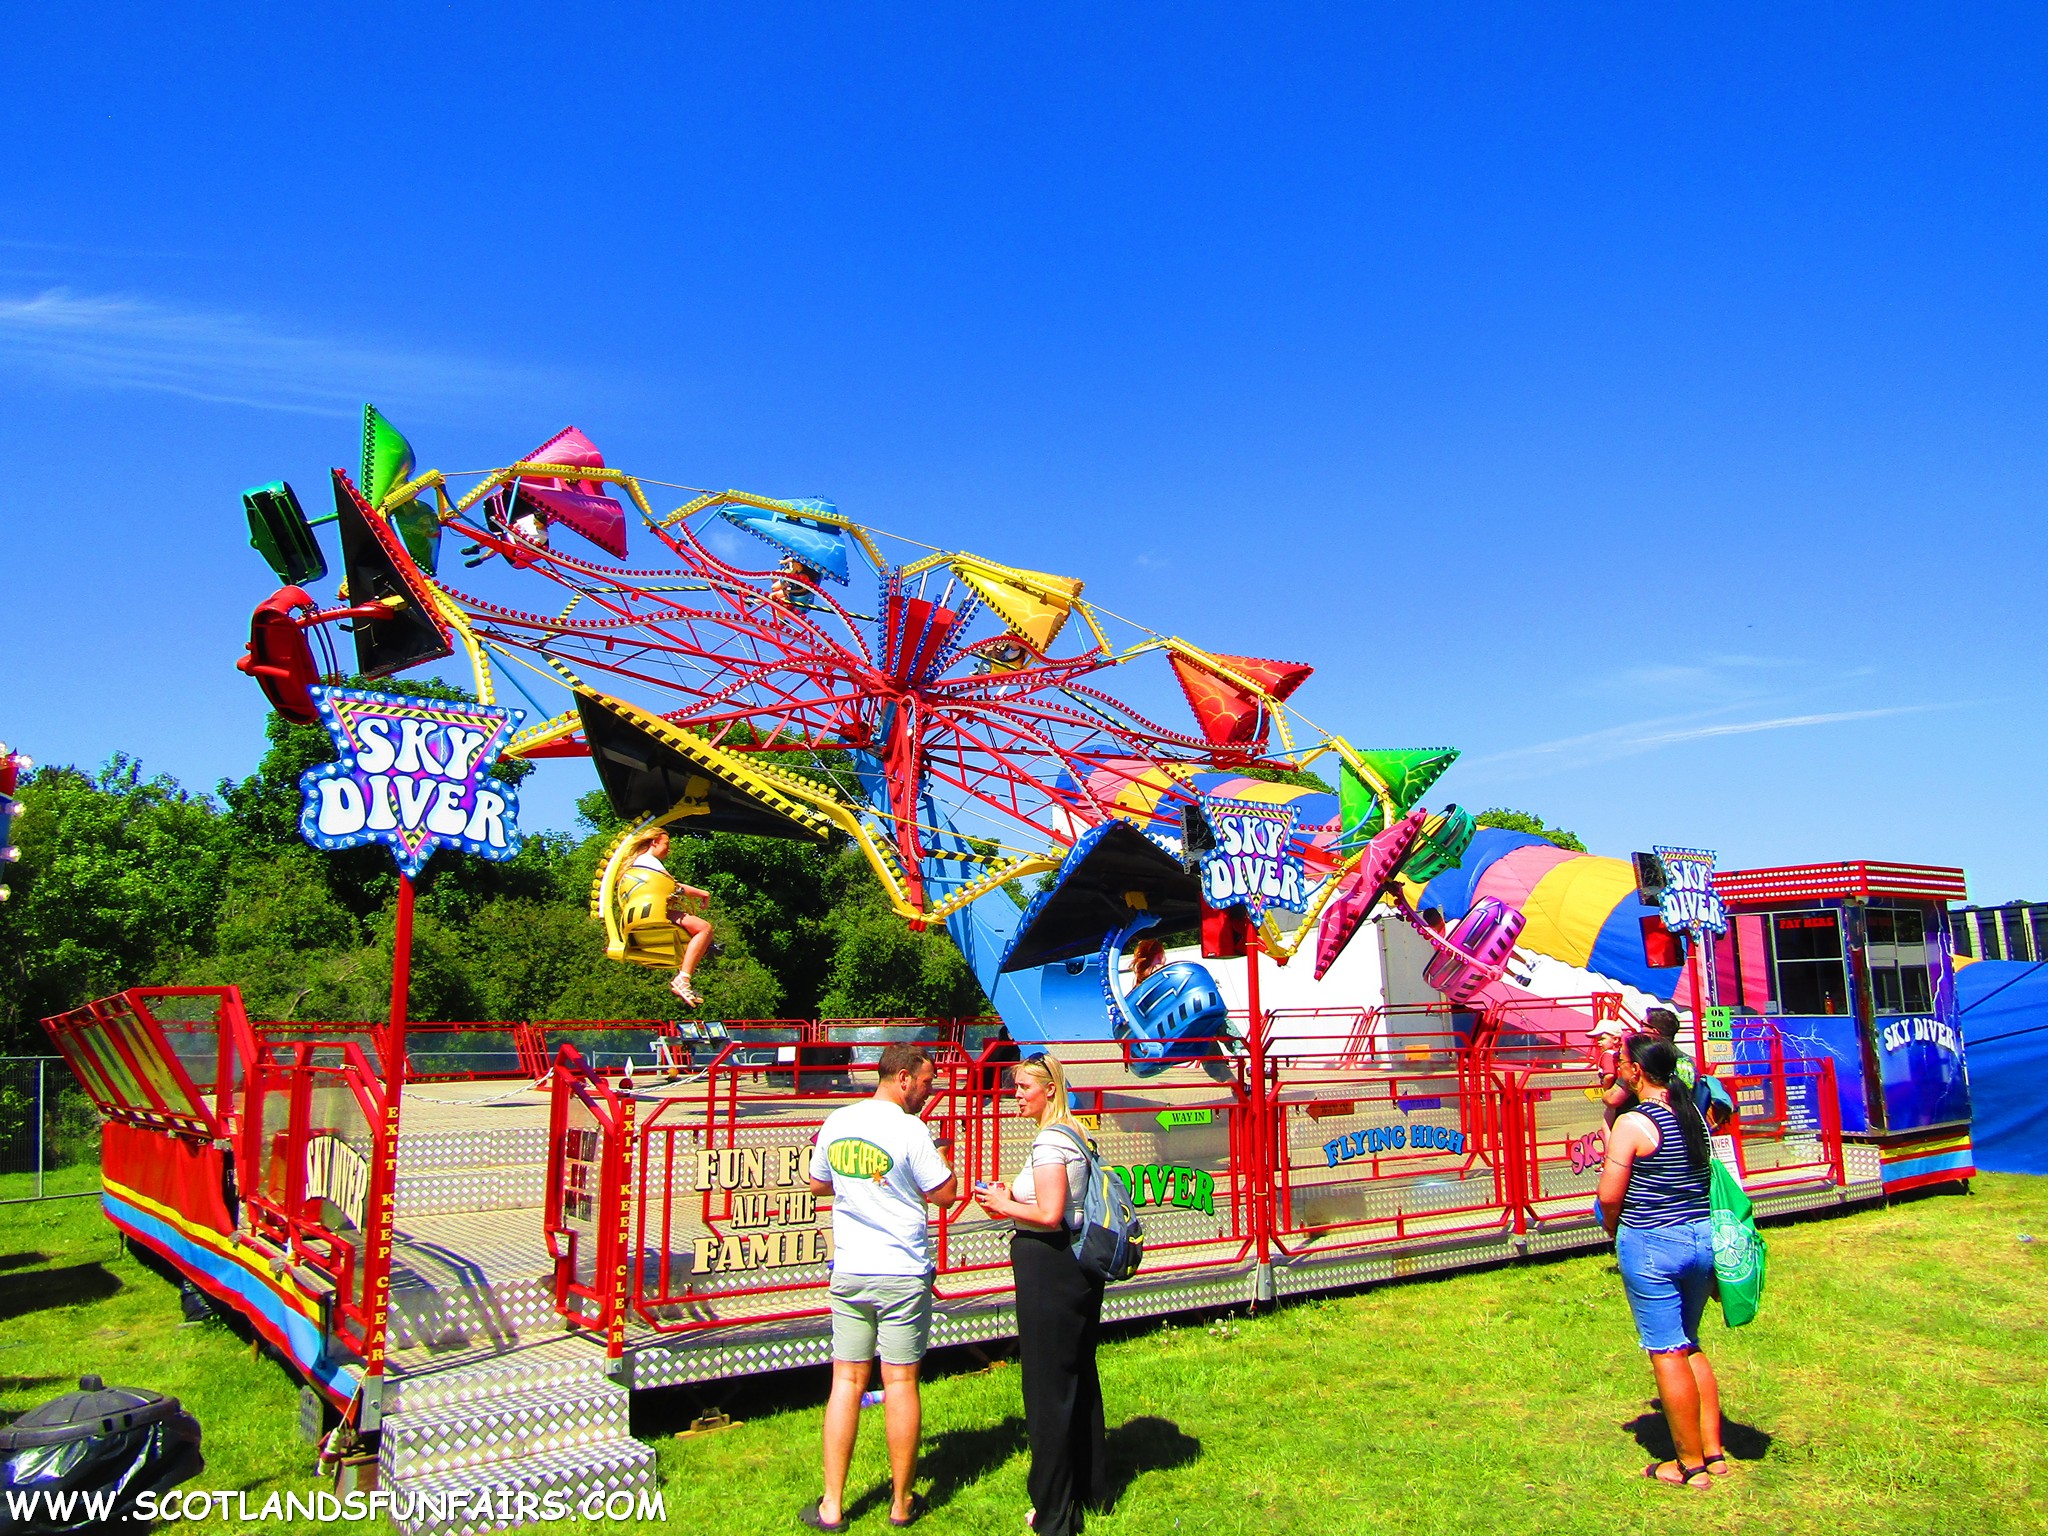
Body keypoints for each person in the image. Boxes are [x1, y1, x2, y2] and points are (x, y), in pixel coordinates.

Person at [803, 1043, 957, 1531]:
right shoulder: (911, 1129)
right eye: (928, 1081)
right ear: (904, 1078)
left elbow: (817, 1184)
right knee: (899, 1383)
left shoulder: (838, 1121)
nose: (930, 1091)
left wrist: (859, 1184)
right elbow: (945, 1195)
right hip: (901, 1272)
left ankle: (832, 1504)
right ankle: (901, 1503)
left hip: (850, 1269)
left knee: (845, 1383)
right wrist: (943, 1158)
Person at [974, 1055, 1107, 1536]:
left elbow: (1051, 1213)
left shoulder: (1051, 1139)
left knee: (1048, 1391)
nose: (1016, 1094)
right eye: (1015, 1087)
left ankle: (1053, 1513)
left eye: (1023, 1086)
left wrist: (1002, 1202)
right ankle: (1091, 1489)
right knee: (1077, 1378)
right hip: (1073, 1270)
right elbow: (1063, 1203)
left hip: (1050, 1269)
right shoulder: (1076, 1133)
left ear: (1050, 1089)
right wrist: (1015, 1197)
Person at [1597, 1034, 1736, 1491]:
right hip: (1700, 1243)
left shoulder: (1634, 1123)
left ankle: (1687, 1464)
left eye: (1620, 1060)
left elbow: (1609, 1195)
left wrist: (1613, 1230)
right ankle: (1714, 1453)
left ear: (1636, 1071)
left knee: (1667, 1350)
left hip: (1652, 1243)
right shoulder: (1693, 1112)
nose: (1616, 1065)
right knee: (1689, 1342)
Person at [625, 829, 713, 1006]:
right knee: (704, 928)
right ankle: (684, 978)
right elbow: (674, 886)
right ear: (654, 842)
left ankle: (685, 975)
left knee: (695, 934)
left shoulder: (636, 864)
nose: (669, 849)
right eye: (667, 844)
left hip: (641, 912)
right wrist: (703, 893)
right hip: (655, 912)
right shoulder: (648, 861)